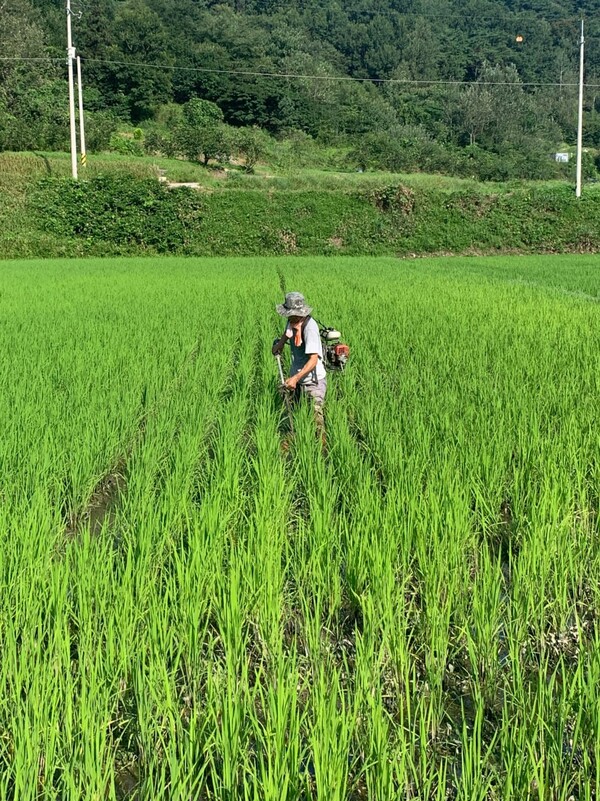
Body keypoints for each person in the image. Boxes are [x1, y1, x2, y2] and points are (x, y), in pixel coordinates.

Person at [272, 291, 326, 436]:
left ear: (300, 313)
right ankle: (296, 439)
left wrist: (295, 378)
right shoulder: (292, 321)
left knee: (316, 419)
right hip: (298, 377)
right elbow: (287, 334)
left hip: (313, 382)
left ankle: (321, 445)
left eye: (292, 314)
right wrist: (279, 344)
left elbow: (313, 360)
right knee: (297, 414)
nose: (289, 317)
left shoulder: (310, 328)